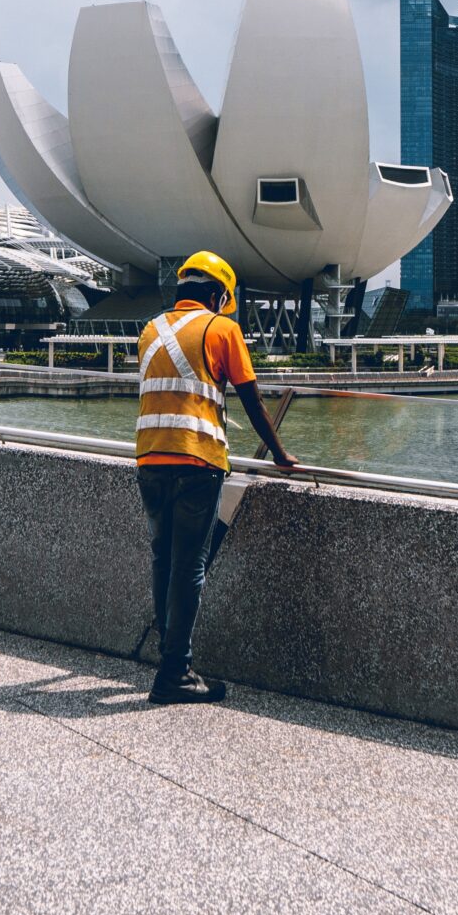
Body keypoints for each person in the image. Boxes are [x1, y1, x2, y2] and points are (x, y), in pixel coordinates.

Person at [133, 250, 298, 704]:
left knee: (163, 562)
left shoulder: (150, 329)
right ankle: (176, 674)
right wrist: (281, 455)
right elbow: (252, 399)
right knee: (189, 568)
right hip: (196, 462)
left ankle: (170, 662)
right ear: (217, 293)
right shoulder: (221, 328)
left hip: (149, 459)